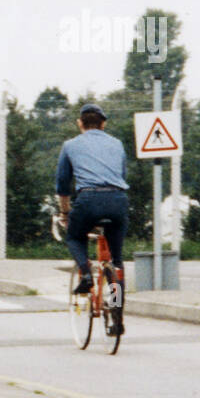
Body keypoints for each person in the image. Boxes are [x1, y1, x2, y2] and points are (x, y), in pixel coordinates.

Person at [56, 104, 129, 306]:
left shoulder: (70, 145)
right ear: (103, 124)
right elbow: (122, 176)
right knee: (117, 258)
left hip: (88, 200)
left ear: (80, 123)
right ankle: (116, 309)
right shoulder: (117, 144)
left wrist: (65, 212)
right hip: (118, 200)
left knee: (74, 237)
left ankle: (86, 274)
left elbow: (63, 185)